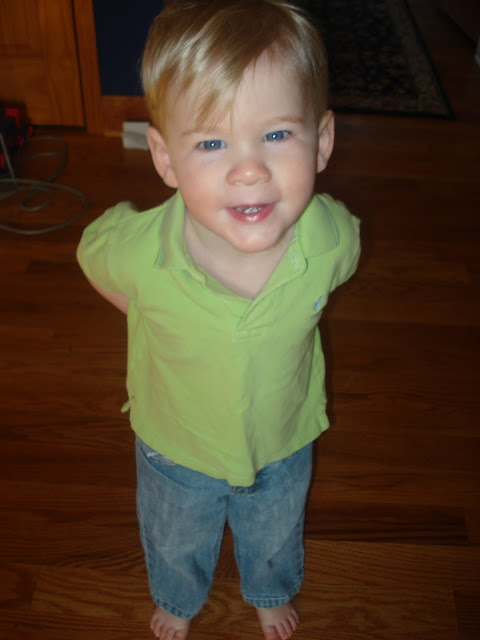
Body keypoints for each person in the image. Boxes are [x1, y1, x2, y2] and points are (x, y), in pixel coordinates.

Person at [77, 1, 360, 639]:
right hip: (175, 444)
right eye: (210, 142)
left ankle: (269, 588)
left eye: (277, 135)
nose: (249, 169)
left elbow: (337, 269)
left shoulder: (334, 238)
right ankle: (178, 597)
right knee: (175, 534)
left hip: (283, 436)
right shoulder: (139, 252)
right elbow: (92, 255)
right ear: (165, 158)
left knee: (275, 526)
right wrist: (140, 307)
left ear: (322, 141)